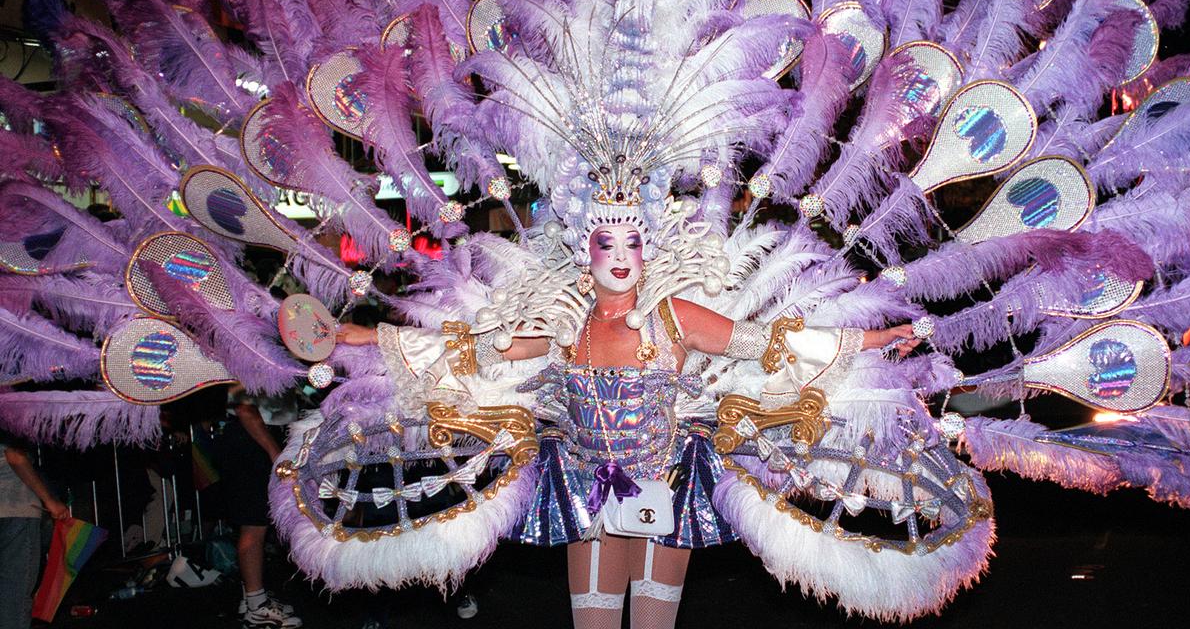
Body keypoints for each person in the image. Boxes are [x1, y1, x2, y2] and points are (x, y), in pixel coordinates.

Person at [337, 220, 919, 629]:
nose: (620, 254)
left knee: (652, 622)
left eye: (632, 242)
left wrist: (871, 338)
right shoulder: (566, 324)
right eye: (605, 242)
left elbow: (771, 343)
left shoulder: (673, 318)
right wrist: (365, 335)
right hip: (589, 491)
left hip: (665, 490)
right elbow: (470, 350)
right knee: (592, 619)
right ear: (584, 253)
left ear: (647, 252)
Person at [217, 386, 302, 629]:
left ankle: (252, 597)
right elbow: (244, 408)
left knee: (259, 521)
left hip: (263, 436)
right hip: (251, 438)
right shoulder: (246, 353)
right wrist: (275, 452)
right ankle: (256, 607)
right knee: (254, 524)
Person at [1, 438, 69, 629]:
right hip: (13, 509)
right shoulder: (9, 415)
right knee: (15, 592)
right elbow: (15, 456)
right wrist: (49, 500)